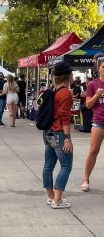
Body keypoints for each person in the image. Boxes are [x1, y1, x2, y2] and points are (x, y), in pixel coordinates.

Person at [43, 61, 74, 209]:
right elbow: (65, 118)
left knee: (48, 165)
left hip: (48, 133)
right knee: (66, 166)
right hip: (59, 133)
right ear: (68, 76)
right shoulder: (66, 93)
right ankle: (57, 199)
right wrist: (67, 138)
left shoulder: (52, 91)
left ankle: (50, 196)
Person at [81, 56, 104, 192]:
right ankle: (86, 178)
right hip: (99, 121)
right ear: (98, 68)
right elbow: (88, 105)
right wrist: (96, 95)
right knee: (93, 150)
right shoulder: (92, 84)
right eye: (103, 67)